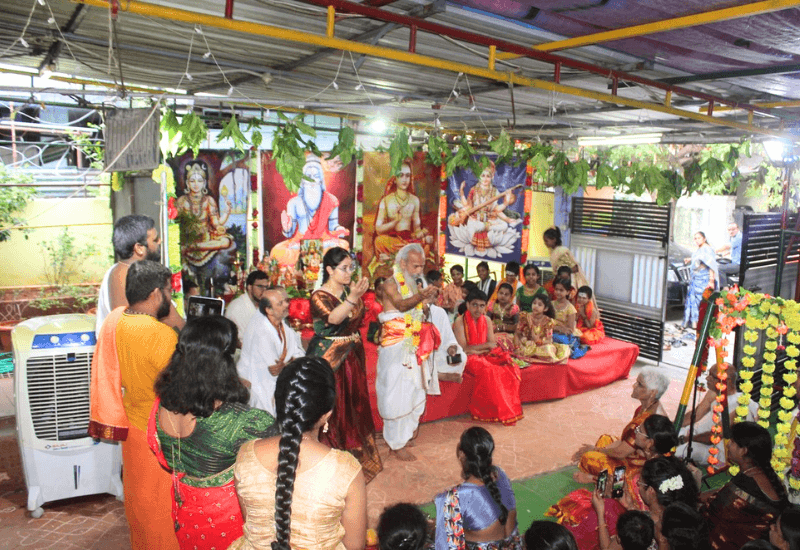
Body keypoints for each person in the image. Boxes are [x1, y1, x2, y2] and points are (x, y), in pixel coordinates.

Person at [147, 316, 277, 550]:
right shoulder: (244, 422)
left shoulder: (160, 406)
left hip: (186, 512)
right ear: (223, 362)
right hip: (229, 521)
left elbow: (163, 457)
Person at [89, 260, 180, 550]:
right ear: (155, 294)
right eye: (168, 291)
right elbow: (179, 390)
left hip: (132, 430)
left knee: (139, 508)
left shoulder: (117, 321)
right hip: (159, 432)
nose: (170, 298)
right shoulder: (160, 335)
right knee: (163, 515)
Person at [232, 357, 367, 550]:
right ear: (327, 415)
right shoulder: (346, 470)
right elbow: (355, 546)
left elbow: (253, 523)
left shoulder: (246, 455)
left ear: (277, 403)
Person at [307, 247, 383, 482]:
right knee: (335, 407)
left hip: (352, 357)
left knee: (354, 406)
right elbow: (333, 319)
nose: (349, 272)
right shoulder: (319, 295)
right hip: (331, 359)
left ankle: (355, 455)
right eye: (344, 268)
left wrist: (353, 296)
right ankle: (329, 457)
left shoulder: (349, 292)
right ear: (329, 269)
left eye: (351, 267)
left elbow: (356, 321)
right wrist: (353, 297)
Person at [550, 415, 680, 549]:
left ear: (650, 443)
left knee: (592, 505)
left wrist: (598, 485)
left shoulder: (644, 478)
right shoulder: (657, 465)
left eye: (640, 431)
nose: (635, 431)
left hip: (627, 516)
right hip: (630, 503)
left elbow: (631, 508)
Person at [377, 243, 445, 461]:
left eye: (421, 267)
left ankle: (405, 434)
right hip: (395, 344)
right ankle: (395, 443)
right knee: (395, 392)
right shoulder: (390, 284)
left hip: (414, 343)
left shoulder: (417, 283)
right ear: (403, 263)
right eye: (415, 266)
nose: (419, 271)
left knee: (415, 388)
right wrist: (420, 297)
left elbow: (419, 310)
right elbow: (401, 304)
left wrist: (425, 304)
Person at [571, 369, 669, 484]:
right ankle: (603, 472)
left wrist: (594, 450)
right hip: (634, 454)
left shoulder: (647, 420)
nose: (634, 386)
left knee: (588, 458)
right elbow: (625, 443)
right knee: (605, 439)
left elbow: (621, 453)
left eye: (639, 384)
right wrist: (601, 450)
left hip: (639, 470)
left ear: (652, 392)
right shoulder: (647, 408)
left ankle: (606, 480)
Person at [703, 422, 788, 550]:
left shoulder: (742, 487)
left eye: (732, 442)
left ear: (744, 450)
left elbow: (712, 511)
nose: (728, 445)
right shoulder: (770, 477)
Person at [434, 427, 522, 550]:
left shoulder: (454, 498)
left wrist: (436, 527)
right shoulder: (500, 474)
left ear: (461, 454)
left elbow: (446, 547)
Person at [96, 214, 184, 334]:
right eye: (155, 239)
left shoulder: (116, 270)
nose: (160, 241)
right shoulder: (138, 277)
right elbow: (178, 326)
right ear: (139, 248)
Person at [454, 288, 523, 425]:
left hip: (484, 354)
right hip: (468, 358)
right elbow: (464, 349)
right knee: (490, 371)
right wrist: (483, 348)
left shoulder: (487, 320)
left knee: (509, 366)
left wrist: (481, 349)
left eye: (481, 305)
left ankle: (502, 409)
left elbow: (492, 344)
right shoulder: (459, 321)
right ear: (467, 305)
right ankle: (490, 412)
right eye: (474, 305)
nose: (478, 309)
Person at [237, 287, 305, 416]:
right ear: (269, 310)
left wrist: (287, 363)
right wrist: (290, 362)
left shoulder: (283, 325)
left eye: (286, 300)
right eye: (280, 303)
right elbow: (274, 369)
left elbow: (299, 354)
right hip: (259, 386)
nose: (287, 305)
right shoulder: (260, 330)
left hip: (274, 385)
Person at [272, 155, 350, 266]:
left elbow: (333, 226)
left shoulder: (331, 200)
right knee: (277, 252)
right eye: (308, 176)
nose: (312, 179)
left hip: (324, 242)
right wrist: (287, 228)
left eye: (316, 175)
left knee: (342, 246)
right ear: (303, 180)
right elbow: (290, 234)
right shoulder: (294, 203)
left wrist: (339, 229)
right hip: (300, 242)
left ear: (321, 179)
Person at [450, 161, 521, 256]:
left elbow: (496, 210)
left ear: (492, 177)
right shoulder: (473, 190)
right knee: (474, 227)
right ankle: (483, 229)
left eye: (488, 176)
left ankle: (485, 228)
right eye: (482, 175)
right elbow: (468, 206)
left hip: (488, 221)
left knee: (504, 225)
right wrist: (461, 192)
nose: (485, 179)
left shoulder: (495, 191)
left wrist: (505, 204)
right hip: (475, 220)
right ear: (479, 176)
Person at [372, 160, 431, 271]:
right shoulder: (386, 200)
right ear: (395, 178)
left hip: (409, 242)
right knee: (379, 241)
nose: (405, 179)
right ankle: (401, 259)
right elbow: (378, 229)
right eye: (401, 175)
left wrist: (422, 234)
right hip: (393, 242)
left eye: (408, 176)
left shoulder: (414, 200)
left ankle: (392, 259)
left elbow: (417, 230)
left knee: (425, 247)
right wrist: (394, 222)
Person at [176, 159, 237, 267]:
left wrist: (226, 215)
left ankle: (195, 247)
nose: (196, 185)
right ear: (187, 183)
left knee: (226, 241)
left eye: (199, 181)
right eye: (192, 181)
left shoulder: (209, 200)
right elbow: (177, 225)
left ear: (204, 183)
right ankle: (193, 246)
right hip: (188, 238)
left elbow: (216, 223)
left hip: (206, 238)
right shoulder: (182, 201)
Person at [676, 365, 739, 465]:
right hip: (694, 436)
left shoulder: (739, 405)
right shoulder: (714, 393)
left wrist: (684, 439)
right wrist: (674, 426)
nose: (707, 378)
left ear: (727, 381)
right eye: (708, 374)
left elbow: (713, 437)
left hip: (715, 450)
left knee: (679, 450)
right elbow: (695, 415)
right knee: (667, 433)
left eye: (712, 376)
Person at [513, 293, 570, 365]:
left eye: (539, 305)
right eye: (534, 303)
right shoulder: (525, 317)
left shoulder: (548, 321)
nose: (536, 306)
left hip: (541, 346)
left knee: (549, 349)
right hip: (526, 344)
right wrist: (517, 348)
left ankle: (533, 355)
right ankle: (531, 354)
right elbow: (517, 333)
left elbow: (549, 340)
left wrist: (539, 341)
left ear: (545, 309)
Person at [683, 232, 718, 330]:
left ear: (704, 238)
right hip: (695, 278)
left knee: (700, 300)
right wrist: (690, 260)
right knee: (692, 300)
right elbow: (699, 259)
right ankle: (694, 323)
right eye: (695, 238)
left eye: (699, 238)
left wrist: (711, 280)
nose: (697, 240)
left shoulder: (708, 249)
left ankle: (700, 323)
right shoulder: (700, 249)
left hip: (703, 278)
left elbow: (711, 265)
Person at [552, 278, 589, 359]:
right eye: (556, 289)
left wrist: (559, 329)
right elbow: (545, 321)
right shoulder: (551, 304)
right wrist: (554, 328)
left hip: (563, 335)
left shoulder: (570, 308)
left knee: (560, 339)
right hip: (550, 330)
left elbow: (570, 330)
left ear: (568, 292)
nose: (558, 292)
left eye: (561, 290)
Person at [225, 270, 269, 336]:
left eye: (266, 287)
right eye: (260, 286)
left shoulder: (264, 305)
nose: (264, 290)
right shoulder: (236, 308)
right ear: (249, 287)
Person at [490, 282, 520, 352]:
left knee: (501, 340)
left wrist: (504, 327)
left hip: (509, 335)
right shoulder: (492, 306)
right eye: (501, 293)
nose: (503, 296)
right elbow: (487, 321)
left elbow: (517, 326)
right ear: (497, 293)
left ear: (511, 296)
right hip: (494, 333)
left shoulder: (513, 309)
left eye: (506, 294)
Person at [715, 222, 742, 289]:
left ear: (738, 229)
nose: (731, 231)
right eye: (729, 230)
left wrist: (715, 251)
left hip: (738, 265)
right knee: (721, 263)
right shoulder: (735, 237)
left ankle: (725, 288)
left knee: (719, 268)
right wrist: (728, 253)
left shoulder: (739, 237)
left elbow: (726, 246)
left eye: (733, 229)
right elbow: (737, 248)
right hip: (738, 262)